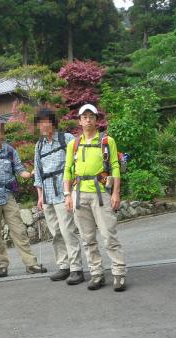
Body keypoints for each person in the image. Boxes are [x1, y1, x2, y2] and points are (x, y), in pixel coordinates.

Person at [63, 104, 127, 292]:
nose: (88, 120)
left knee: (109, 234)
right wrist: (67, 194)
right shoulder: (73, 144)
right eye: (85, 117)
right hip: (79, 193)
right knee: (87, 238)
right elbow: (67, 170)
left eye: (91, 116)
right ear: (80, 121)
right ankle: (96, 273)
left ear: (96, 119)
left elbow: (114, 166)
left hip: (101, 193)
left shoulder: (107, 141)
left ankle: (119, 273)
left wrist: (115, 192)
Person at [0, 122, 47, 278]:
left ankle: (31, 264)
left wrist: (29, 174)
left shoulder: (10, 151)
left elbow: (19, 169)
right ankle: (2, 265)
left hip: (8, 196)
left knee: (19, 230)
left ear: (2, 134)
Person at [33, 109, 85, 285]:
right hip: (47, 194)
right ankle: (64, 266)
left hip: (64, 193)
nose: (43, 125)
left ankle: (76, 268)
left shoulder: (67, 139)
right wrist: (39, 196)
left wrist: (71, 190)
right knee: (55, 233)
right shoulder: (39, 145)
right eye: (40, 122)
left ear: (53, 122)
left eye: (46, 121)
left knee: (68, 231)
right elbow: (38, 173)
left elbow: (77, 165)